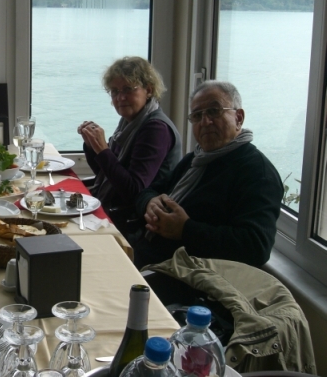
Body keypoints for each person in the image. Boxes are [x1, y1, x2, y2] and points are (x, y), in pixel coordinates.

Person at [132, 80, 284, 269]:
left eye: (214, 111)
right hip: (146, 254)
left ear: (238, 118)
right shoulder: (196, 159)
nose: (205, 122)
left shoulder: (258, 173)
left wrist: (185, 230)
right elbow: (149, 190)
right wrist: (149, 202)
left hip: (185, 276)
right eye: (197, 115)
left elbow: (256, 247)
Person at [77, 57, 182, 235]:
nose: (120, 98)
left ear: (148, 90)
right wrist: (92, 146)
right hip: (118, 210)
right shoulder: (129, 123)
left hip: (136, 223)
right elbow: (108, 174)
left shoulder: (156, 129)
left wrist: (102, 150)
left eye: (128, 89)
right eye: (115, 91)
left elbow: (134, 191)